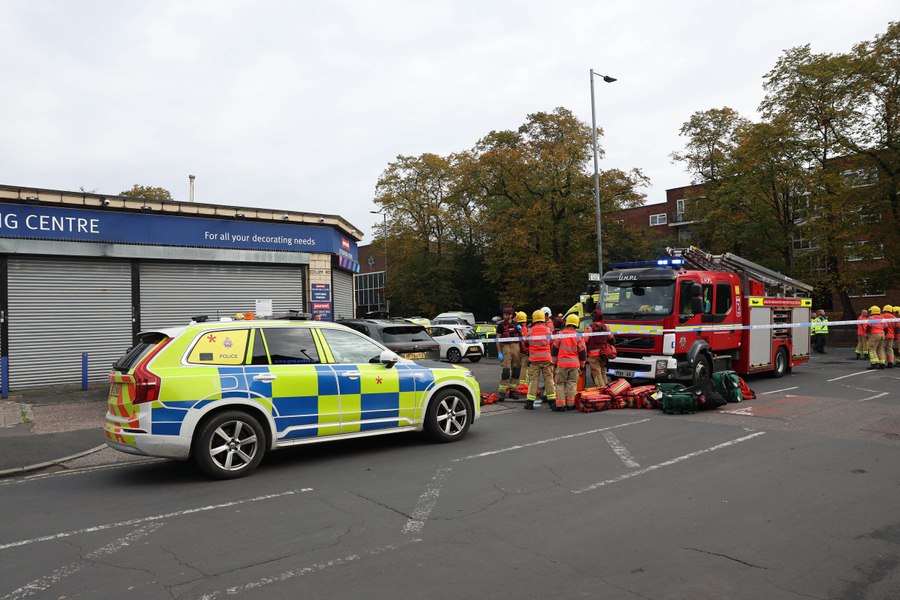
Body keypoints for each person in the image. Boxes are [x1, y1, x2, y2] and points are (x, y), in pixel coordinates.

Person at [551, 314, 586, 411]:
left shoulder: (560, 335)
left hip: (562, 364)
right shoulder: (579, 336)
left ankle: (561, 405)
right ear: (576, 324)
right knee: (572, 383)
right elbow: (582, 352)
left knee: (560, 384)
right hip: (574, 365)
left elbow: (554, 349)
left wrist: (554, 362)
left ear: (567, 323)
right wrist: (582, 365)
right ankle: (570, 404)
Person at [524, 309, 556, 410]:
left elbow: (526, 342)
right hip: (546, 359)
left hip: (534, 360)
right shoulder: (547, 329)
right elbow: (551, 341)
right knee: (549, 380)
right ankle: (552, 402)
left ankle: (530, 402)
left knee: (533, 381)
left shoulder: (531, 330)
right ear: (543, 318)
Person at [495, 307, 522, 399]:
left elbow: (524, 337)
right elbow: (497, 340)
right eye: (504, 314)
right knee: (506, 371)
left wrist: (521, 330)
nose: (505, 316)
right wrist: (499, 352)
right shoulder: (501, 326)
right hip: (506, 348)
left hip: (516, 348)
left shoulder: (516, 325)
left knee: (516, 370)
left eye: (507, 314)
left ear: (511, 315)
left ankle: (512, 391)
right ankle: (502, 392)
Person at [585, 309, 615, 388]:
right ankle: (607, 388)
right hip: (603, 354)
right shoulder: (606, 327)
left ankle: (601, 389)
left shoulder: (590, 328)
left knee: (596, 372)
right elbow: (612, 340)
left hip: (593, 355)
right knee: (603, 371)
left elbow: (584, 341)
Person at [866, 305, 886, 370]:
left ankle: (874, 363)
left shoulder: (871, 318)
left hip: (874, 334)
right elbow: (886, 328)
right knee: (880, 349)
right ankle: (882, 363)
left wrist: (867, 334)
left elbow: (868, 328)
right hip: (882, 334)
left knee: (871, 348)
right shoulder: (882, 318)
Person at [515, 311, 530, 386]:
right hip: (524, 352)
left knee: (518, 367)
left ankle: (518, 382)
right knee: (524, 367)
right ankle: (523, 384)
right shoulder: (523, 329)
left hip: (518, 350)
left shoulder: (516, 328)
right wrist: (526, 350)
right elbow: (525, 341)